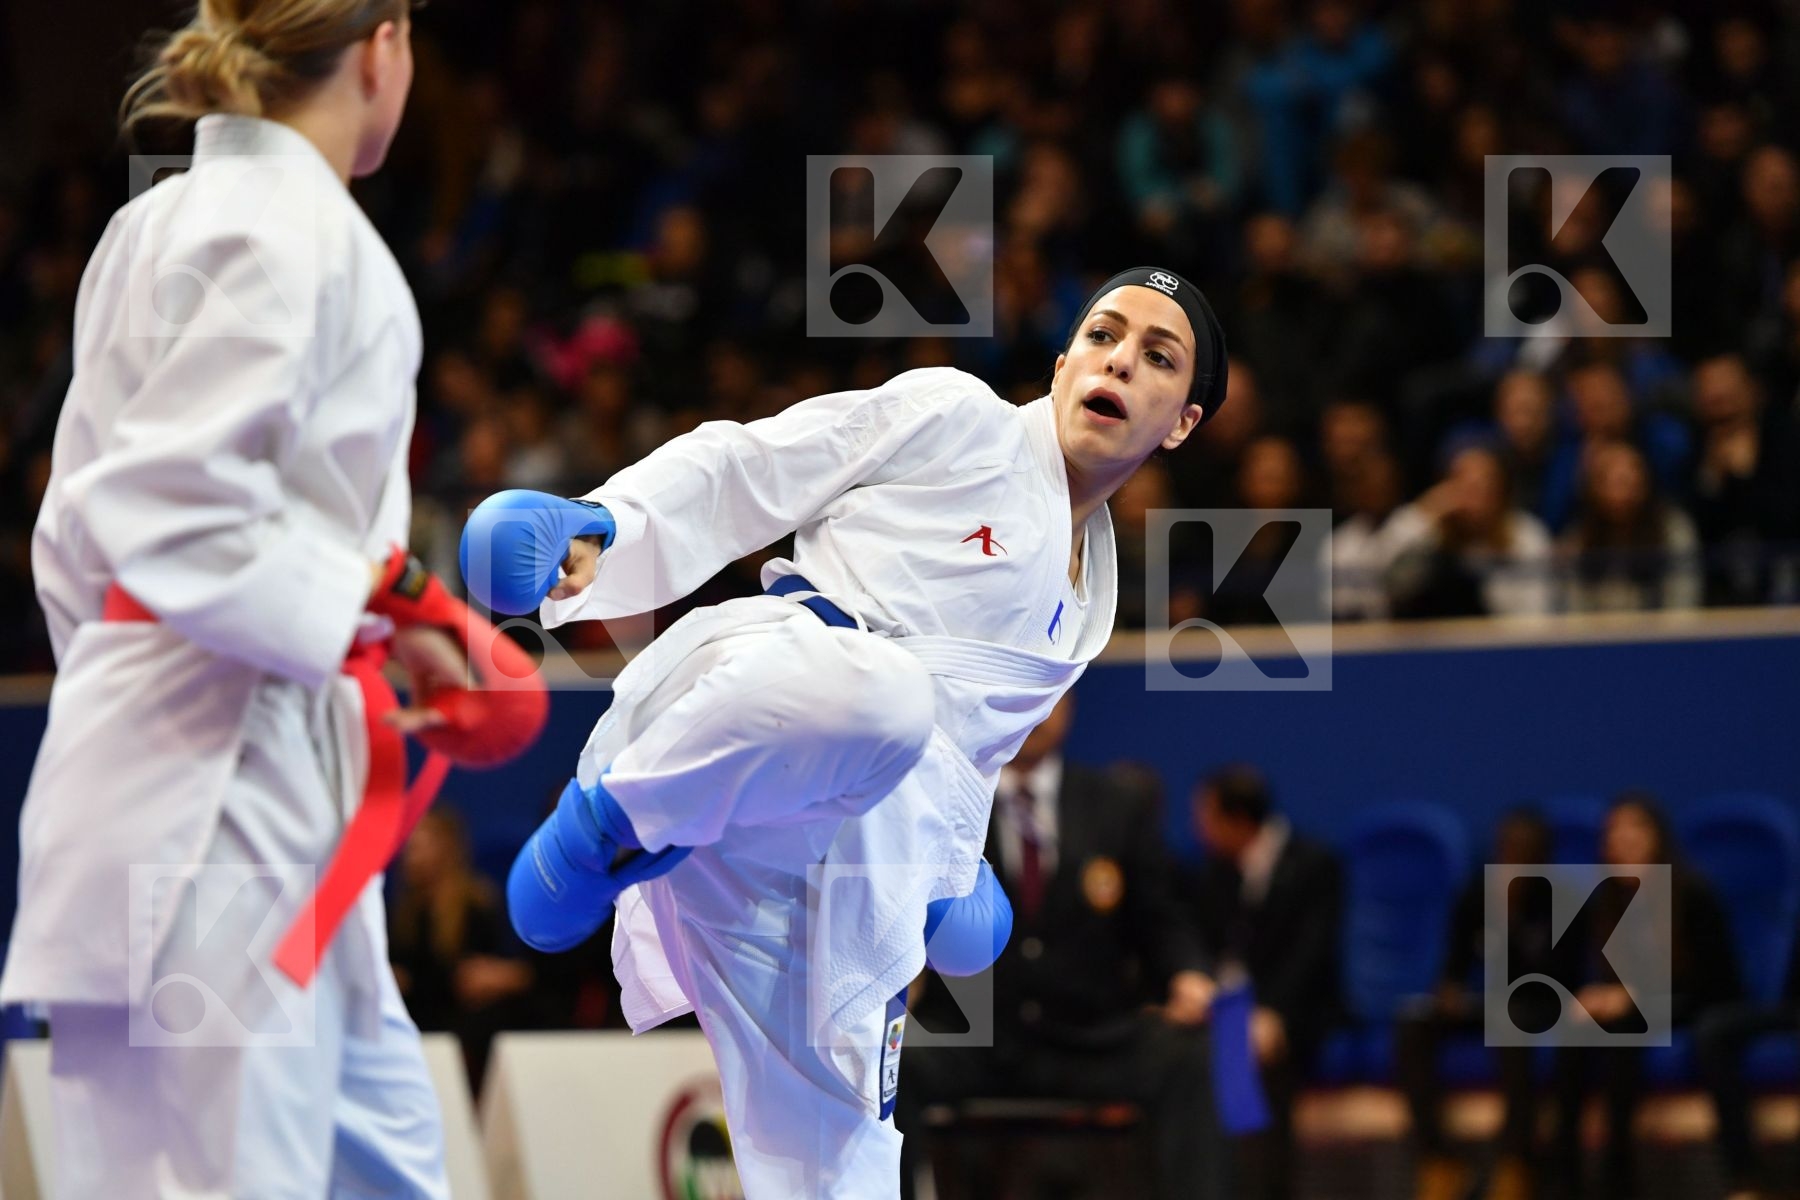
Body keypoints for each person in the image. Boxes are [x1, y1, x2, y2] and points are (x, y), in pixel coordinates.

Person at [462, 265, 1230, 1198]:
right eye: (1104, 335)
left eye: (1158, 357)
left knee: (842, 1164)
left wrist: (950, 874)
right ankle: (606, 828)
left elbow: (970, 750)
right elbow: (758, 464)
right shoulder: (961, 417)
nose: (1120, 361)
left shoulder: (1089, 601)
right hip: (759, 705)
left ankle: (650, 835)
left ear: (1182, 420)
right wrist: (606, 523)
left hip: (850, 852)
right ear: (1064, 358)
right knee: (890, 698)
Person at [0, 2, 489, 1196]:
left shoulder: (149, 226)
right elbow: (175, 508)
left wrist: (143, 688)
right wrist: (398, 615)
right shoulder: (299, 235)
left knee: (386, 1168)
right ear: (382, 49)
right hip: (217, 824)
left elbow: (77, 530)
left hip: (215, 784)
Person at [898, 692, 1226, 1200]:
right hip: (972, 1034)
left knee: (1187, 1056)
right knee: (895, 1057)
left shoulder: (1117, 802)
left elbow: (1161, 916)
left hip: (1091, 1038)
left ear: (1069, 705)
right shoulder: (946, 800)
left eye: (1047, 700)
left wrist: (1188, 974)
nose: (1034, 715)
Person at [1550, 793, 1743, 1200]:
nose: (1623, 838)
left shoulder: (1692, 893)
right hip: (1637, 1005)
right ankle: (1563, 1176)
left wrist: (1633, 996)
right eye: (1614, 830)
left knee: (1625, 1022)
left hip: (1696, 1002)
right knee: (1577, 1026)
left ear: (1658, 836)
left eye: (1634, 827)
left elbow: (1717, 981)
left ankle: (1618, 1176)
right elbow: (1601, 976)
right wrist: (1592, 997)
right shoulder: (1605, 901)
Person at [1180, 764, 1342, 1200]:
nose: (1198, 827)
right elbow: (1206, 948)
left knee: (1250, 1053)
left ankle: (1264, 1188)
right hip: (1229, 1011)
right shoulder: (1214, 871)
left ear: (1237, 821)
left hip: (1295, 1012)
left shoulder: (1314, 864)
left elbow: (1311, 957)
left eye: (1206, 817)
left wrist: (1271, 1013)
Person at [1398, 809, 1562, 1200]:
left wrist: (1514, 927)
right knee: (1414, 1020)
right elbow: (1454, 967)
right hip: (1488, 1002)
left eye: (1524, 854)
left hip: (1542, 1003)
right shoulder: (1478, 892)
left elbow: (1560, 979)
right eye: (1507, 851)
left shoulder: (1561, 900)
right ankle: (1438, 1158)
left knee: (1513, 1020)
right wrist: (1450, 992)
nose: (1512, 862)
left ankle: (1516, 1160)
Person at [389, 809, 534, 1092]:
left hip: (463, 1015)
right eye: (409, 846)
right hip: (420, 1014)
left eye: (420, 845)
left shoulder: (476, 903)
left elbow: (477, 971)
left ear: (445, 848)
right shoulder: (404, 912)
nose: (411, 855)